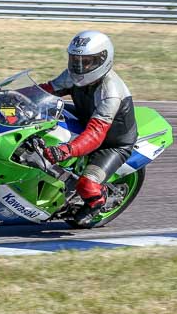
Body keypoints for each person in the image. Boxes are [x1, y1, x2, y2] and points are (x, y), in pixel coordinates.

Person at [39, 30, 137, 226]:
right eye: (75, 60)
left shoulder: (111, 93)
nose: (80, 66)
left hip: (112, 143)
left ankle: (96, 202)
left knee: (87, 184)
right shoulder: (72, 75)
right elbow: (46, 90)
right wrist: (12, 96)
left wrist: (66, 150)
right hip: (84, 119)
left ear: (103, 60)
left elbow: (95, 134)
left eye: (87, 61)